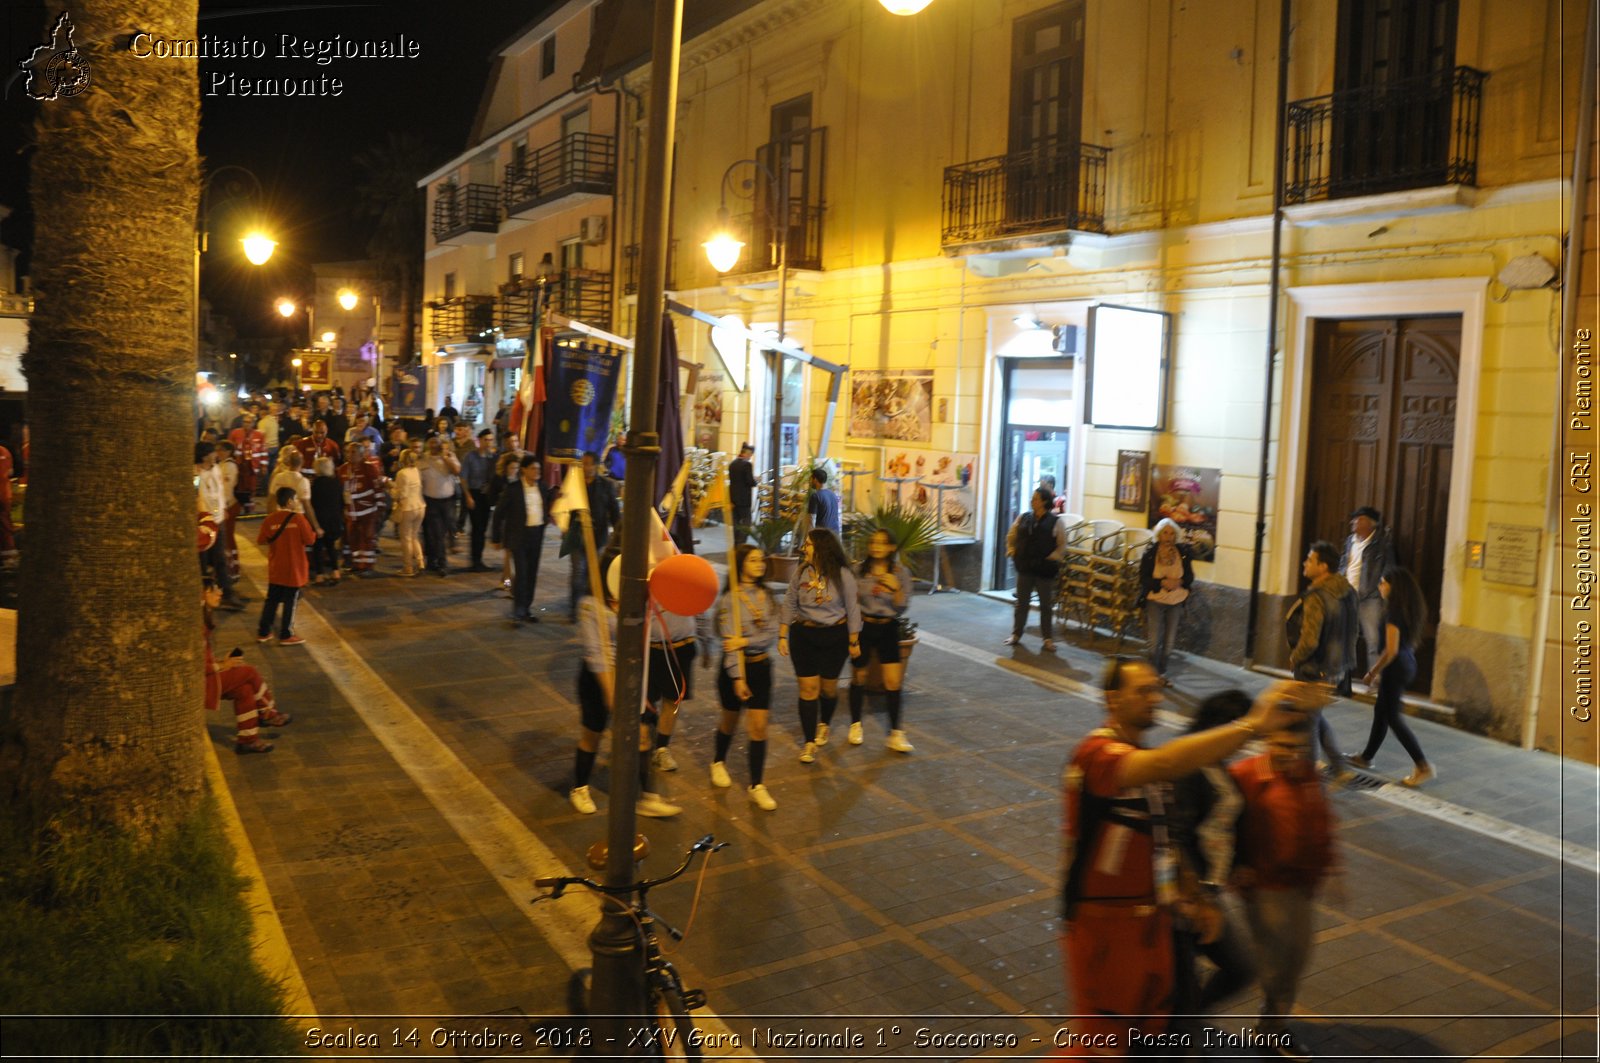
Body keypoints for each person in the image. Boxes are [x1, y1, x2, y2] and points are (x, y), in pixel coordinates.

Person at [1060, 658, 1314, 1055]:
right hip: (1104, 929)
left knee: (1161, 1030)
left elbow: (1164, 844)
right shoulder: (1097, 754)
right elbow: (1166, 762)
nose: (1154, 698)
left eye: (1156, 688)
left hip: (1150, 924)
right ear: (1113, 699)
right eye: (1141, 691)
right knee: (1104, 1043)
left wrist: (1192, 898)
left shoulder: (1139, 761)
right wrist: (1253, 724)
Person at [1231, 721, 1341, 1063]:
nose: (1290, 755)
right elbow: (1225, 822)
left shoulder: (1307, 774)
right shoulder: (1247, 775)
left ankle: (1272, 1020)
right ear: (1267, 741)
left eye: (1296, 748)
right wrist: (1238, 867)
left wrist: (1329, 868)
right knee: (1276, 965)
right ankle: (1272, 1029)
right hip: (1265, 889)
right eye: (1282, 746)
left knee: (1298, 957)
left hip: (1301, 887)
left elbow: (1320, 822)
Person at [1168, 690, 1258, 1042]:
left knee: (1240, 969)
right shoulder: (1189, 762)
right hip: (1186, 895)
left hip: (1209, 889)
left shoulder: (1216, 760)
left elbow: (1221, 821)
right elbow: (1175, 835)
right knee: (1183, 987)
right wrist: (1196, 898)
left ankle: (1182, 1026)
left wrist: (1238, 864)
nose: (1247, 742)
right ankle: (1176, 1034)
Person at [570, 546, 681, 819]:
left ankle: (649, 796)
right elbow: (596, 654)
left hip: (631, 675)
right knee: (592, 735)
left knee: (643, 735)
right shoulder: (590, 605)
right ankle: (579, 787)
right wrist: (611, 695)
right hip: (598, 679)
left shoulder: (634, 599)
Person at [778, 528, 862, 764]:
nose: (804, 548)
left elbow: (853, 608)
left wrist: (854, 640)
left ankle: (824, 722)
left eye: (808, 544)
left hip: (834, 636)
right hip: (803, 635)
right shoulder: (802, 571)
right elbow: (789, 601)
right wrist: (782, 634)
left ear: (822, 548)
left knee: (828, 689)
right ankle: (809, 742)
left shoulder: (843, 574)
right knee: (807, 690)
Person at [709, 544, 780, 810]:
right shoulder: (730, 600)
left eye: (761, 560)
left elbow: (770, 635)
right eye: (753, 560)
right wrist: (738, 679)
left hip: (762, 668)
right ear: (740, 565)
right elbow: (729, 646)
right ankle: (718, 761)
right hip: (734, 671)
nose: (759, 564)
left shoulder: (768, 596)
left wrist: (745, 639)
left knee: (759, 727)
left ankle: (757, 785)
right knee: (730, 720)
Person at [1352, 567, 1434, 787]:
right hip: (1405, 664)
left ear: (1393, 586)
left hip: (1396, 666)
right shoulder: (1403, 609)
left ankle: (1423, 766)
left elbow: (1391, 650)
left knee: (1393, 718)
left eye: (1383, 582)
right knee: (1382, 711)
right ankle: (1366, 757)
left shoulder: (1394, 613)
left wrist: (1372, 672)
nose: (1380, 586)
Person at [1285, 540, 1357, 775]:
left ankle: (1308, 778)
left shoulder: (1317, 596)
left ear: (1323, 567)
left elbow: (1310, 640)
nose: (1305, 563)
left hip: (1314, 667)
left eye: (1309, 559)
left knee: (1307, 723)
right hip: (1337, 666)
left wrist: (1296, 657)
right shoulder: (1348, 592)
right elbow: (1354, 630)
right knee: (1313, 715)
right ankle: (1340, 766)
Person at [841, 528, 914, 751]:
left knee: (893, 682)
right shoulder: (858, 571)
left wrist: (895, 588)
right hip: (864, 626)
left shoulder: (900, 572)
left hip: (888, 627)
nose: (877, 546)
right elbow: (850, 602)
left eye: (882, 543)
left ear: (891, 548)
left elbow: (902, 606)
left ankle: (895, 733)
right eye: (873, 542)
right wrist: (852, 635)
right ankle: (855, 725)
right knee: (859, 677)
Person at [203, 580, 290, 753]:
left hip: (208, 676)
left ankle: (248, 739)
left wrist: (221, 662)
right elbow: (194, 665)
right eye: (213, 590)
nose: (220, 593)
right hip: (201, 681)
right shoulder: (197, 624)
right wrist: (221, 666)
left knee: (245, 691)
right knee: (249, 672)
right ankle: (268, 712)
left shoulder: (204, 616)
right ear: (201, 594)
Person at [1339, 505, 1395, 692]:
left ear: (1371, 524)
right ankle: (1343, 681)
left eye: (1358, 519)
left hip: (1370, 598)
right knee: (1347, 639)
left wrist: (1382, 584)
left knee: (1373, 639)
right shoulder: (1350, 541)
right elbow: (1344, 563)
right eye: (1354, 519)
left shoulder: (1381, 544)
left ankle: (1375, 682)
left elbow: (1389, 567)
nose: (1353, 522)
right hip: (1348, 596)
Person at [1005, 487, 1066, 651]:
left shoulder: (1056, 522)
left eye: (1036, 499)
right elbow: (1012, 535)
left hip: (1044, 569)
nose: (1032, 501)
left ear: (1044, 502)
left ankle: (1047, 639)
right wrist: (1011, 549)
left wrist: (1052, 557)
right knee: (1021, 603)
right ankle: (1016, 634)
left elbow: (1062, 544)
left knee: (1046, 606)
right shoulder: (1024, 518)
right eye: (1032, 498)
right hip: (1025, 567)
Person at [256, 486, 316, 644]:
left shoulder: (269, 519)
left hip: (276, 567)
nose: (296, 502)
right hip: (294, 568)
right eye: (295, 499)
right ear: (289, 501)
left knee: (272, 600)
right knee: (291, 601)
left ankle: (263, 632)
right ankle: (286, 634)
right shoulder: (299, 519)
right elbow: (310, 540)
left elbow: (261, 540)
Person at [1138, 518, 1195, 684]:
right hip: (1155, 598)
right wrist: (1161, 582)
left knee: (1169, 640)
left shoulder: (1182, 553)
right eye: (1165, 533)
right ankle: (1151, 673)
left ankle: (1161, 673)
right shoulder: (1150, 553)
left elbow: (1190, 576)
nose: (1168, 536)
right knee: (1154, 640)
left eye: (1171, 533)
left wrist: (1180, 582)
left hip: (1176, 599)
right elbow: (1143, 578)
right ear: (1159, 534)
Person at [498, 454, 551, 621]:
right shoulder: (513, 489)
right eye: (533, 468)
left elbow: (546, 508)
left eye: (539, 469)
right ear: (524, 470)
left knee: (532, 573)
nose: (537, 472)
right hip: (519, 536)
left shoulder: (542, 487)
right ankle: (518, 609)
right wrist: (496, 537)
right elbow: (499, 512)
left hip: (536, 535)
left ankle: (527, 607)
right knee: (521, 573)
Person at [646, 605, 697, 773]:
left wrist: (705, 639)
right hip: (651, 649)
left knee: (672, 700)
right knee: (646, 700)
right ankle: (643, 739)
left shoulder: (685, 582)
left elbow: (700, 607)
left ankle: (661, 748)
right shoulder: (648, 581)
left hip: (682, 647)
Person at [568, 451, 620, 613]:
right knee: (578, 572)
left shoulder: (606, 486)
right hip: (577, 537)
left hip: (598, 537)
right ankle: (574, 607)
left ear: (596, 466)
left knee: (594, 573)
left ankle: (588, 606)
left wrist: (617, 533)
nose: (586, 467)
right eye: (583, 463)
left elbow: (614, 512)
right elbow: (567, 509)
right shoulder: (575, 485)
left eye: (589, 464)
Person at [196, 444, 246, 610]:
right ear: (204, 457)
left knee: (221, 557)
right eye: (212, 452)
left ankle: (226, 591)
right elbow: (198, 496)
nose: (216, 455)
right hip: (204, 523)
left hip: (218, 520)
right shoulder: (196, 473)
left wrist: (223, 508)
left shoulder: (216, 469)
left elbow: (220, 491)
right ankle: (206, 593)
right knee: (203, 561)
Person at [338, 438, 387, 575]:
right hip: (350, 512)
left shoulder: (369, 468)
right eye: (348, 452)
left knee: (367, 538)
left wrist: (380, 507)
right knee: (353, 538)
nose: (350, 455)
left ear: (361, 454)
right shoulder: (342, 470)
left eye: (353, 452)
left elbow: (377, 487)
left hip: (367, 511)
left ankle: (367, 565)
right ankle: (356, 563)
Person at [418, 434, 460, 576]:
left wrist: (445, 457)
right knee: (433, 533)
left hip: (447, 501)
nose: (433, 445)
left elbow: (456, 471)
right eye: (431, 442)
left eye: (436, 442)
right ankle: (438, 562)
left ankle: (439, 561)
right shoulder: (423, 458)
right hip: (430, 500)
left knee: (442, 532)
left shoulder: (449, 455)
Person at [460, 429, 497, 571]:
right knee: (476, 528)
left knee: (482, 528)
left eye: (490, 440)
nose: (488, 443)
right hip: (473, 494)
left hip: (486, 496)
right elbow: (463, 478)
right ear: (479, 440)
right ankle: (475, 560)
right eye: (486, 440)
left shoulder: (492, 458)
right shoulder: (470, 456)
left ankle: (479, 559)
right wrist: (468, 496)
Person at [489, 450, 522, 596]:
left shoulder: (521, 480)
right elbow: (490, 498)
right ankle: (509, 585)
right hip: (504, 521)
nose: (514, 471)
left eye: (516, 468)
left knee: (509, 555)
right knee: (509, 554)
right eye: (512, 468)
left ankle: (505, 581)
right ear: (506, 467)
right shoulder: (499, 480)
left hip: (516, 521)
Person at [309, 456, 345, 585]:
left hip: (319, 520)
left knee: (318, 548)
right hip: (334, 520)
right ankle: (336, 571)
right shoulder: (336, 483)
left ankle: (320, 575)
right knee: (331, 546)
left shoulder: (314, 485)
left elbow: (311, 504)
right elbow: (341, 503)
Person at [390, 449, 426, 577]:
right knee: (414, 536)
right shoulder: (416, 471)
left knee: (406, 539)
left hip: (407, 508)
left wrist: (390, 488)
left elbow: (401, 494)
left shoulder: (402, 473)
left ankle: (408, 567)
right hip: (420, 506)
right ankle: (421, 563)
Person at [805, 467, 842, 537]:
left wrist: (810, 537)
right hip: (835, 535)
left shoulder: (815, 496)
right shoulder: (833, 494)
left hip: (822, 536)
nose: (810, 481)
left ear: (815, 479)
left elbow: (812, 519)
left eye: (811, 479)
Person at [728, 443, 756, 534]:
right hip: (744, 500)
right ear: (747, 453)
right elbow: (750, 481)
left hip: (733, 498)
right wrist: (756, 481)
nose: (750, 457)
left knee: (736, 522)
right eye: (751, 454)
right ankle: (742, 542)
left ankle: (736, 543)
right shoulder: (747, 465)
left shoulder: (732, 464)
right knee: (746, 522)